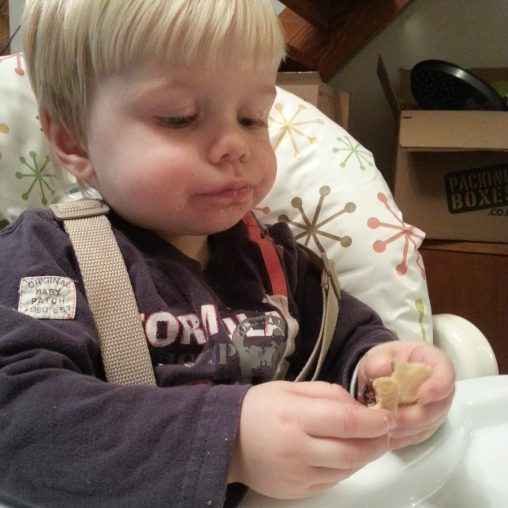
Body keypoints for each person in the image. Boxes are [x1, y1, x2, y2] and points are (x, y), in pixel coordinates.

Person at [0, 1, 455, 507]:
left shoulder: (276, 260)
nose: (234, 145)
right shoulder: (47, 259)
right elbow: (18, 416)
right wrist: (230, 440)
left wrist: (376, 369)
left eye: (251, 118)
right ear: (73, 142)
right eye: (179, 118)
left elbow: (342, 339)